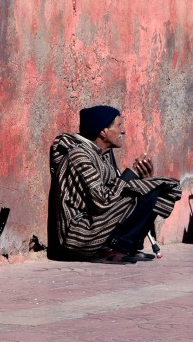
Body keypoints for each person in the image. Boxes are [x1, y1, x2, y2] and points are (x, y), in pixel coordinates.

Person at [48, 105, 181, 263]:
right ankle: (111, 248)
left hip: (96, 222)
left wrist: (144, 179)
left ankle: (128, 246)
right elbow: (102, 201)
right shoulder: (80, 157)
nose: (123, 131)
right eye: (118, 126)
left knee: (154, 190)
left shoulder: (102, 156)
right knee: (144, 192)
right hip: (78, 233)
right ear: (103, 131)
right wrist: (131, 175)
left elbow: (115, 189)